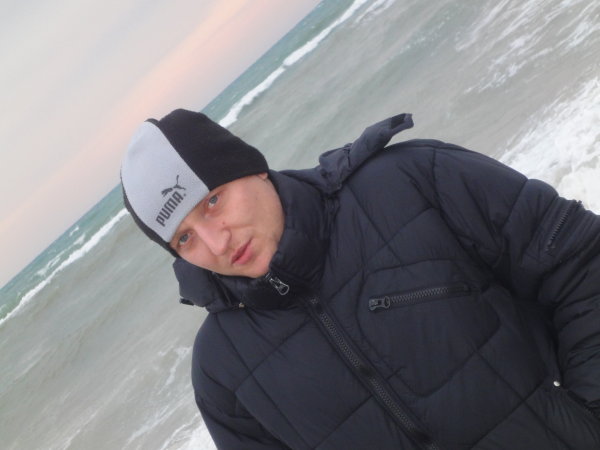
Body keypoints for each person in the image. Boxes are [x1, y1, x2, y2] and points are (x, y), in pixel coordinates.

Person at [120, 109, 600, 449]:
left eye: (212, 201)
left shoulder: (413, 181)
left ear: (254, 169)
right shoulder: (221, 372)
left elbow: (581, 262)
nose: (217, 242)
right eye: (185, 238)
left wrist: (588, 419)